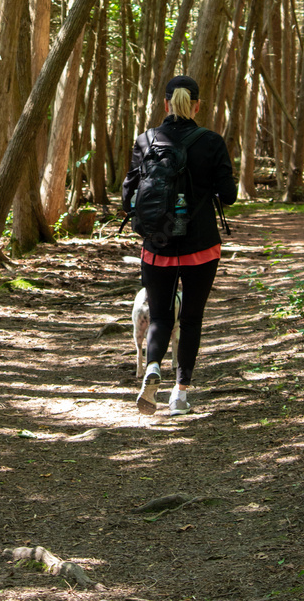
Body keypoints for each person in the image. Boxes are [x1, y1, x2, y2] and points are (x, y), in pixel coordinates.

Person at [122, 75, 237, 416]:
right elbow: (228, 196)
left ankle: (153, 366)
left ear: (166, 103)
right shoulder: (212, 142)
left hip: (156, 246)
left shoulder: (146, 141)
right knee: (191, 319)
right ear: (197, 105)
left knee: (159, 317)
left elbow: (128, 197)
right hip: (201, 245)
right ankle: (180, 394)